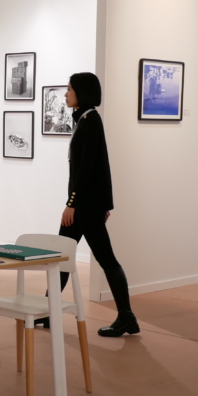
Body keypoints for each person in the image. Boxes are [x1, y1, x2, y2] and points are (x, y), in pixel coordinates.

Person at [43, 72, 139, 337]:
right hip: (86, 205)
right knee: (62, 255)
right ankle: (47, 310)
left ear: (81, 92)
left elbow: (88, 169)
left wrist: (71, 204)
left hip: (84, 207)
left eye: (69, 89)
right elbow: (96, 167)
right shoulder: (85, 119)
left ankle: (127, 317)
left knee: (105, 259)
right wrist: (101, 203)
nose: (65, 94)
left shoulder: (91, 121)